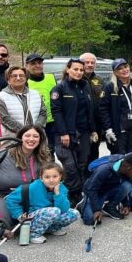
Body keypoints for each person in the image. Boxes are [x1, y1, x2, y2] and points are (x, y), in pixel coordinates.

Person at [50, 58, 97, 204]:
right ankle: (70, 196)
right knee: (70, 167)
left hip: (83, 133)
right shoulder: (59, 88)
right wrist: (64, 133)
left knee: (82, 165)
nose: (78, 72)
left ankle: (79, 197)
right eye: (75, 69)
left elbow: (90, 111)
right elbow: (56, 112)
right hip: (65, 134)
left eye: (81, 70)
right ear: (68, 69)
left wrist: (93, 130)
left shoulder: (85, 86)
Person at [0, 125, 52, 225]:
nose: (31, 139)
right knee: (6, 224)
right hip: (0, 194)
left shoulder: (44, 157)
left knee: (36, 220)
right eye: (27, 135)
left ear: (40, 140)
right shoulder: (6, 152)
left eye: (35, 136)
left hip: (28, 196)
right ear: (20, 137)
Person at [5, 163, 79, 244]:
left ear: (60, 176)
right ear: (41, 178)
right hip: (31, 218)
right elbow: (10, 199)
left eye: (55, 176)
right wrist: (19, 214)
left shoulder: (62, 188)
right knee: (54, 211)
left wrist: (57, 194)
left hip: (50, 215)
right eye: (47, 177)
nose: (51, 180)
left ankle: (51, 229)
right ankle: (33, 234)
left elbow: (64, 210)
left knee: (74, 213)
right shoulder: (32, 187)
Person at [79, 153, 132, 224]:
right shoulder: (104, 169)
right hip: (94, 192)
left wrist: (126, 204)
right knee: (90, 220)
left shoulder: (126, 169)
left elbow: (125, 185)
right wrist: (96, 210)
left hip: (108, 190)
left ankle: (109, 207)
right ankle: (82, 204)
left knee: (127, 186)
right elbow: (92, 190)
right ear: (129, 168)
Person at [100, 58, 132, 155]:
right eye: (120, 69)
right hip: (119, 130)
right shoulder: (110, 87)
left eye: (125, 67)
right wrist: (108, 129)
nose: (124, 70)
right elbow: (103, 109)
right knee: (120, 158)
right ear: (115, 72)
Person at [0, 66, 46, 136]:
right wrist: (25, 131)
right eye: (14, 76)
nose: (18, 78)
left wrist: (36, 129)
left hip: (37, 136)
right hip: (13, 138)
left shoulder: (36, 94)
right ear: (8, 79)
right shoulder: (0, 97)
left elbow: (43, 113)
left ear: (26, 78)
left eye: (21, 75)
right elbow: (5, 119)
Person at [26, 53, 57, 153]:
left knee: (50, 150)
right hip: (34, 123)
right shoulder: (24, 81)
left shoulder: (51, 77)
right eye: (33, 63)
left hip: (51, 122)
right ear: (27, 66)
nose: (37, 66)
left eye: (39, 63)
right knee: (34, 150)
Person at [80, 52, 105, 163]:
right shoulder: (76, 79)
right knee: (82, 153)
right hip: (81, 124)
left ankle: (93, 176)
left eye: (92, 63)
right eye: (87, 62)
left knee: (94, 151)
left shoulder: (99, 80)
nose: (90, 65)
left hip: (96, 124)